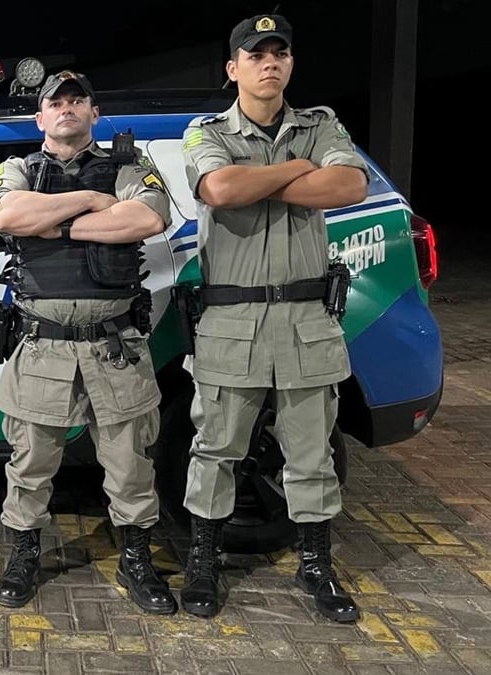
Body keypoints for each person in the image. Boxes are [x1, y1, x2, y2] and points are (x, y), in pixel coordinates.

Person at [179, 15, 368, 623]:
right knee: (216, 449)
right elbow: (222, 189)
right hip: (232, 322)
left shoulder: (322, 124)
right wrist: (296, 169)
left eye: (280, 52)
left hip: (307, 322)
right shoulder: (203, 132)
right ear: (233, 68)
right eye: (255, 54)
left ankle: (318, 568)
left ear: (290, 64)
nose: (270, 62)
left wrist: (264, 177)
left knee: (312, 456)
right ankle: (203, 564)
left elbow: (349, 186)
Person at [0, 72, 174, 612]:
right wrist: (92, 201)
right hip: (42, 346)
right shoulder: (17, 169)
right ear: (40, 117)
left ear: (93, 112)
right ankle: (23, 556)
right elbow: (6, 215)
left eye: (77, 100)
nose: (66, 108)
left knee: (132, 467)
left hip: (114, 347)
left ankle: (138, 563)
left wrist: (57, 228)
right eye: (55, 103)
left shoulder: (132, 168)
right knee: (29, 465)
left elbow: (147, 217)